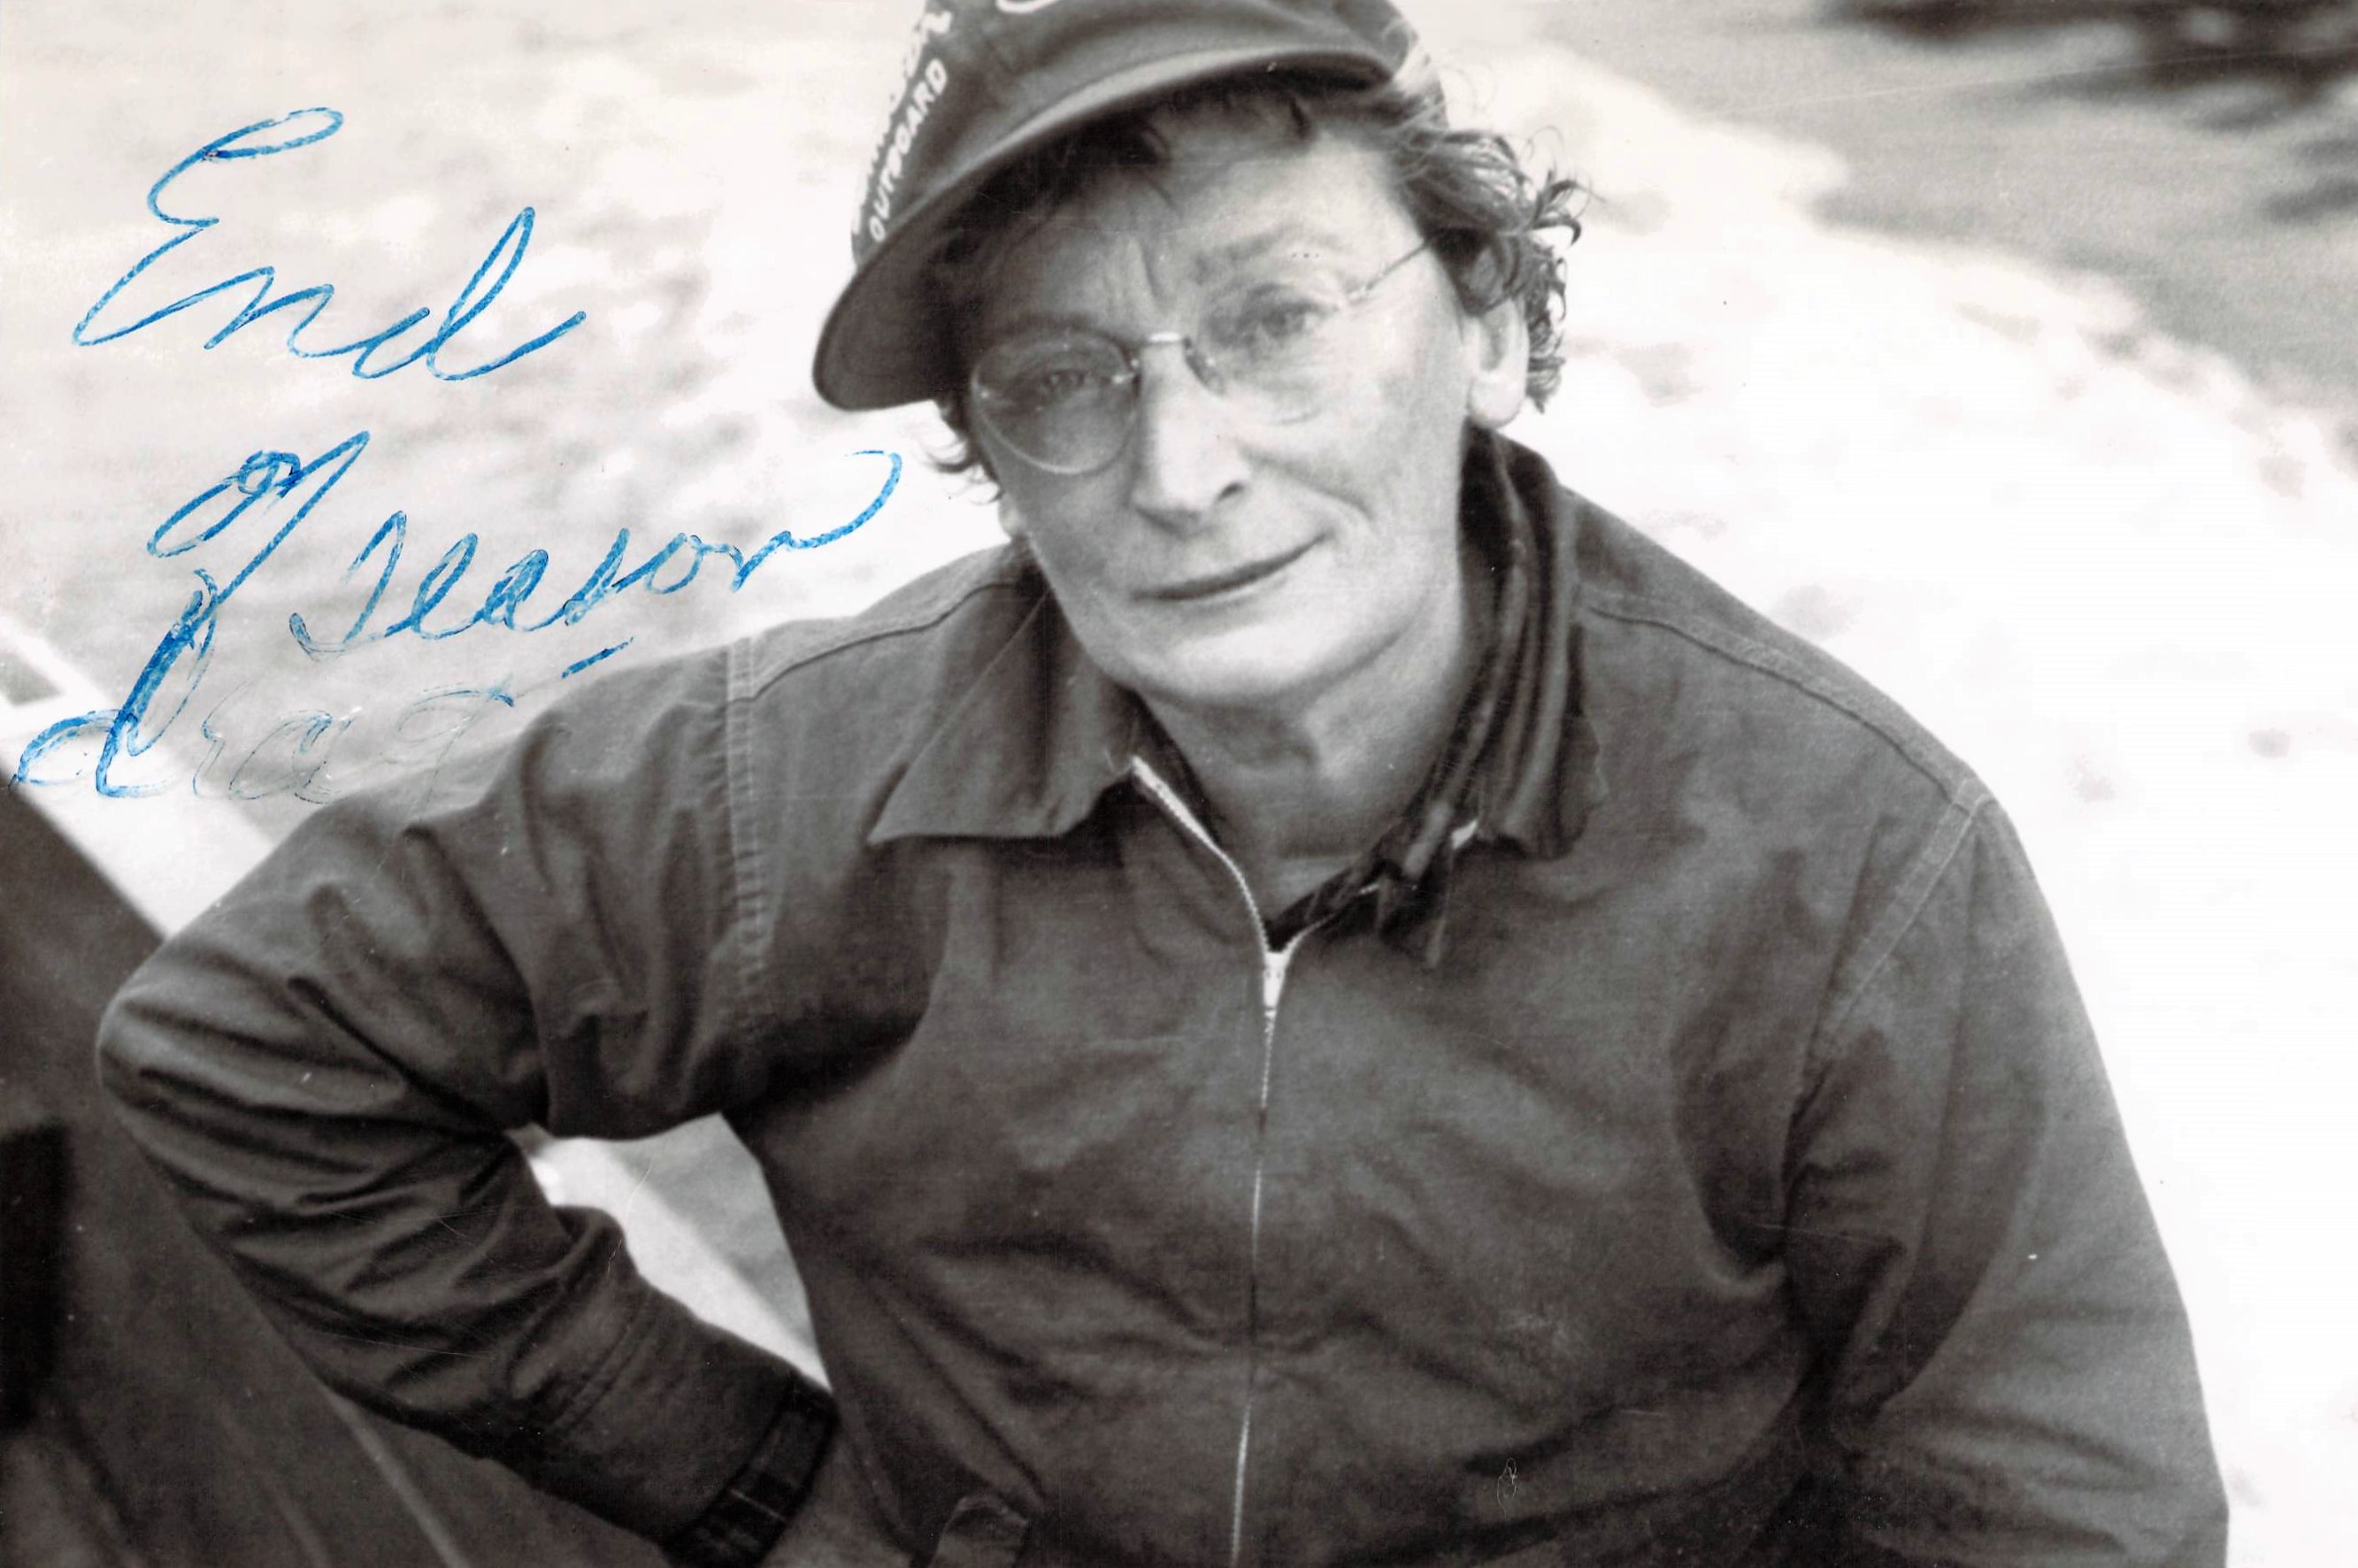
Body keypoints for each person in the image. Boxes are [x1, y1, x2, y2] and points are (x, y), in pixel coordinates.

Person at [97, 1, 2229, 1564]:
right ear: (989, 457)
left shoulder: (1850, 862)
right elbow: (250, 1046)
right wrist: (747, 1476)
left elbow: (2063, 1515)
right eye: (1061, 379)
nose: (1181, 468)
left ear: (1490, 324)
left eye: (1273, 320)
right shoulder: (790, 792)